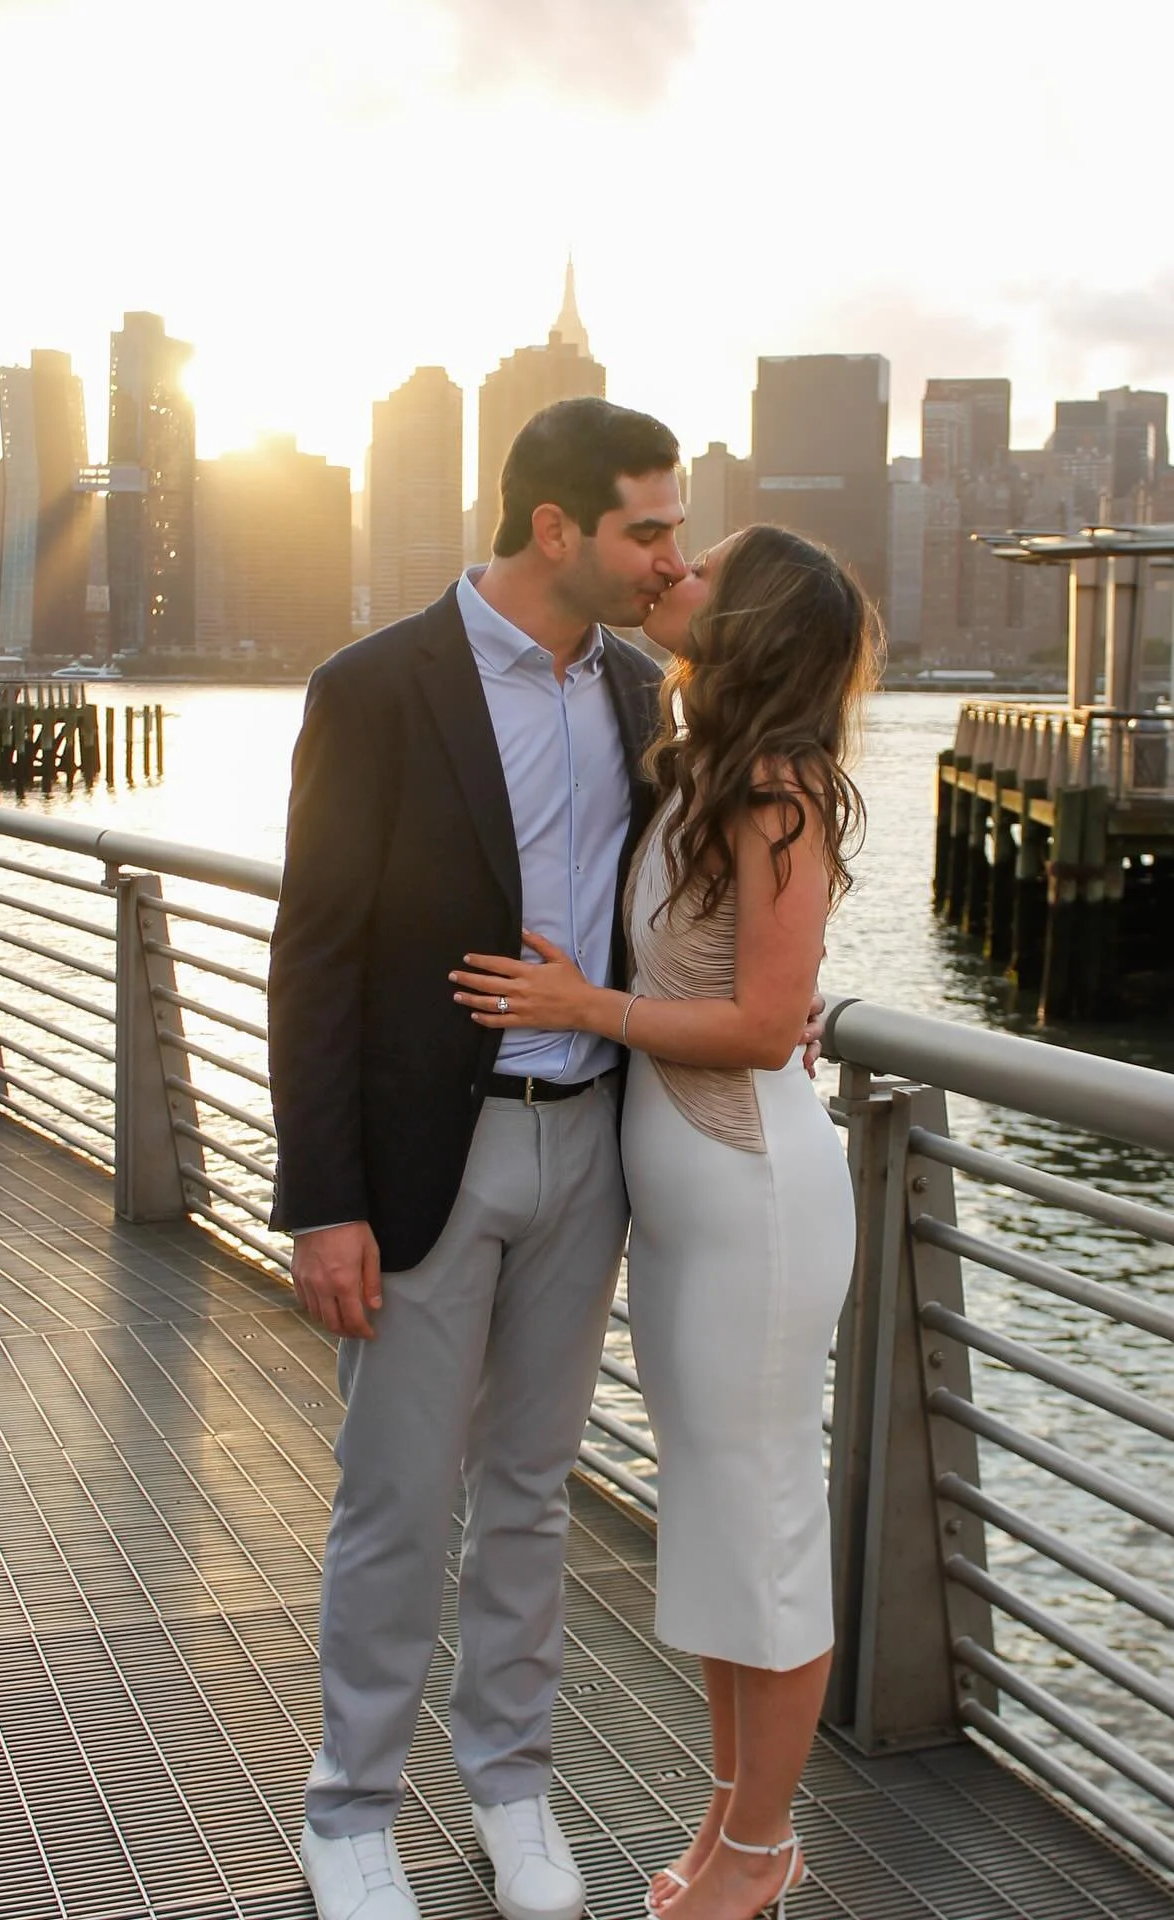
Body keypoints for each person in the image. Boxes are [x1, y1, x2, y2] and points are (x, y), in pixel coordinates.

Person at [269, 396, 827, 1920]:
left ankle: (514, 1790)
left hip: (593, 1145)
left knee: (528, 1495)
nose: (668, 559)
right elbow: (314, 953)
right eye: (649, 528)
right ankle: (350, 1810)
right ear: (557, 528)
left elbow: (721, 912)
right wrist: (321, 1199)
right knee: (394, 1495)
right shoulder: (377, 687)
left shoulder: (652, 695)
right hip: (423, 1158)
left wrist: (793, 1006)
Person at [450, 525, 875, 1920]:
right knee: (712, 1517)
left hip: (753, 1201)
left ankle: (763, 1850)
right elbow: (737, 987)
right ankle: (726, 1811)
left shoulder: (783, 793)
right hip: (686, 1205)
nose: (671, 577)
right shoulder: (698, 766)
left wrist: (592, 1010)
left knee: (766, 1525)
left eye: (700, 571)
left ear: (745, 620)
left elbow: (761, 1026)